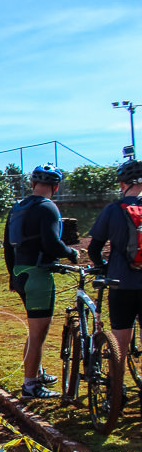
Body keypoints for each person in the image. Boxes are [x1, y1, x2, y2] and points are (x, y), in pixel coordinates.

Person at [3, 165, 78, 399]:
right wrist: (71, 253)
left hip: (20, 272)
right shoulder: (48, 207)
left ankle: (36, 371)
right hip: (38, 273)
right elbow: (51, 243)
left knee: (34, 330)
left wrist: (12, 276)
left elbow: (7, 246)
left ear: (33, 183)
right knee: (38, 334)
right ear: (56, 187)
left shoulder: (17, 207)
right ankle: (31, 385)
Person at [86, 159, 142, 403]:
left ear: (122, 184)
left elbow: (95, 248)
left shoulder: (113, 209)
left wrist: (104, 268)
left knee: (120, 339)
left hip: (121, 282)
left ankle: (116, 391)